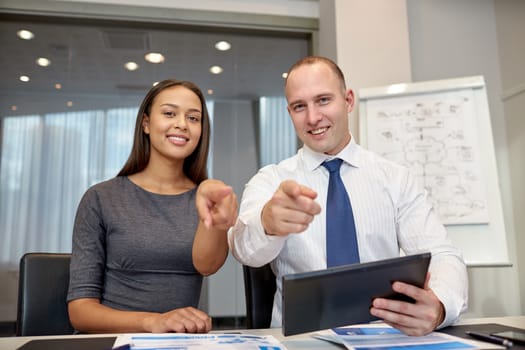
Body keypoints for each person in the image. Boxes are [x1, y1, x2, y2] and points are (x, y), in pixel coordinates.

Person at [228, 56, 468, 336]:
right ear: (289, 112)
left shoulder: (395, 178)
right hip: (301, 341)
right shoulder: (271, 180)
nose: (313, 117)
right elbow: (244, 250)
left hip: (383, 337)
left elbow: (442, 254)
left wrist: (438, 306)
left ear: (348, 100)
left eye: (323, 100)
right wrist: (267, 222)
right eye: (299, 106)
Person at [67, 79, 238, 334]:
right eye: (170, 113)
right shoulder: (101, 198)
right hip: (112, 342)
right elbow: (80, 312)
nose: (181, 124)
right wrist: (153, 321)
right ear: (146, 124)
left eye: (193, 118)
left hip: (180, 342)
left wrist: (213, 212)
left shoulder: (206, 200)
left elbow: (208, 265)